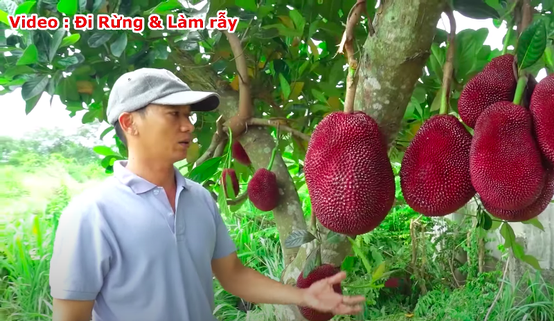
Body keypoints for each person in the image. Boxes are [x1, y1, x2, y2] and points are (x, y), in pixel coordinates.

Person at [48, 68, 365, 321]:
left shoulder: (199, 199)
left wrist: (303, 296)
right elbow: (71, 315)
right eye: (174, 114)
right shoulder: (91, 213)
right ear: (130, 122)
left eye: (189, 115)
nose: (188, 126)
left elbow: (232, 275)